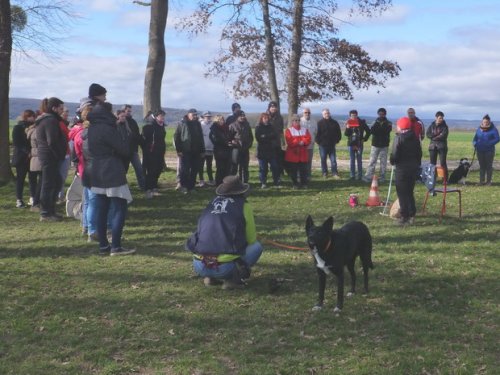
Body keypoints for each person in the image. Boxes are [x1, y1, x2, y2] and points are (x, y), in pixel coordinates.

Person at [186, 175, 264, 289]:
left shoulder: (211, 203)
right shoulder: (244, 206)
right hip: (224, 268)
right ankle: (232, 280)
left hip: (199, 264)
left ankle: (209, 277)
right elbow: (251, 239)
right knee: (256, 247)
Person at [84, 84, 135, 256]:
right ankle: (116, 246)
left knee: (101, 208)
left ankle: (103, 246)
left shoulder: (91, 128)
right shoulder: (108, 127)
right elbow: (124, 150)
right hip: (111, 170)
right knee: (120, 207)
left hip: (96, 170)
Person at [35, 97, 67, 221]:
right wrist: (59, 154)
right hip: (50, 157)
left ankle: (50, 211)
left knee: (56, 182)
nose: (62, 111)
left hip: (48, 156)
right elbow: (52, 141)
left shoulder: (49, 119)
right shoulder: (50, 121)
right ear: (54, 108)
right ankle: (45, 213)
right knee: (48, 184)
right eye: (60, 108)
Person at [390, 117, 422, 225]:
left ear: (400, 126)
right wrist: (417, 165)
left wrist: (392, 161)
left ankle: (404, 216)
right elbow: (419, 154)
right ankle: (412, 214)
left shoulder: (398, 138)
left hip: (402, 169)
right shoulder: (415, 138)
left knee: (402, 193)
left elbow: (394, 153)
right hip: (413, 168)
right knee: (409, 192)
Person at [174, 108, 205, 193]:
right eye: (193, 115)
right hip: (185, 150)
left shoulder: (197, 124)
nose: (195, 116)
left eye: (196, 115)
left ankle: (191, 187)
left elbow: (201, 137)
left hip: (196, 151)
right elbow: (176, 137)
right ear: (188, 115)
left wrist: (202, 150)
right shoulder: (182, 123)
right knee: (185, 169)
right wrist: (179, 150)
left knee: (194, 169)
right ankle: (183, 186)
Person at [11, 109, 36, 208]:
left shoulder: (33, 128)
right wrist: (27, 152)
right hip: (22, 158)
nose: (33, 118)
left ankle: (32, 197)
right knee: (20, 179)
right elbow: (17, 143)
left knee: (32, 178)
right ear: (27, 116)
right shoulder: (18, 128)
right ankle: (19, 199)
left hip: (31, 157)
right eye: (32, 116)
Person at [141, 109, 167, 198]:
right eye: (161, 116)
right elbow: (144, 139)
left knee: (159, 169)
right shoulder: (150, 126)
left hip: (160, 151)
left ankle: (154, 186)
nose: (163, 118)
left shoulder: (161, 125)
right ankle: (148, 189)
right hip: (151, 152)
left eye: (163, 116)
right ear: (156, 117)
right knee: (151, 170)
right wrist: (148, 149)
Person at [363, 108, 392, 183]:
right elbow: (372, 131)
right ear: (378, 114)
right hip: (375, 145)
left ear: (385, 114)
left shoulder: (389, 123)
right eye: (380, 114)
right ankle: (368, 176)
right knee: (372, 161)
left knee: (383, 162)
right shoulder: (374, 122)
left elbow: (386, 131)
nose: (381, 115)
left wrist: (378, 130)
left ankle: (382, 177)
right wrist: (379, 130)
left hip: (384, 145)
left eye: (383, 114)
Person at [123, 104, 146, 191]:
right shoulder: (120, 122)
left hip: (133, 150)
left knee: (139, 169)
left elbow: (137, 135)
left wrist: (143, 143)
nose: (129, 113)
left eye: (130, 111)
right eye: (128, 111)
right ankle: (124, 188)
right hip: (124, 151)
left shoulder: (133, 122)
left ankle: (143, 187)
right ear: (124, 111)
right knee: (124, 171)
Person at [285, 114, 311, 188]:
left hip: (303, 154)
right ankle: (295, 184)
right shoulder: (289, 130)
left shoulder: (305, 129)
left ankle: (304, 183)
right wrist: (299, 141)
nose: (297, 122)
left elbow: (308, 138)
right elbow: (289, 141)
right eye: (295, 120)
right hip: (293, 154)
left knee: (303, 170)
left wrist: (303, 142)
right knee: (293, 171)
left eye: (298, 120)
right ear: (292, 121)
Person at [255, 112, 280, 188]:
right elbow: (259, 138)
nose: (266, 119)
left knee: (274, 167)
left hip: (271, 150)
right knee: (263, 168)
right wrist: (268, 137)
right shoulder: (258, 127)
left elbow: (275, 136)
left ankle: (276, 181)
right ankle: (263, 182)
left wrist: (265, 136)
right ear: (261, 119)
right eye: (264, 118)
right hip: (262, 151)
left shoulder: (271, 127)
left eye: (267, 118)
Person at [473, 114, 499, 185]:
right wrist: (475, 143)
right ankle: (481, 181)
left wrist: (489, 143)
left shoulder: (493, 129)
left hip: (489, 151)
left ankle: (488, 181)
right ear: (482, 122)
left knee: (488, 166)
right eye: (484, 122)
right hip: (480, 150)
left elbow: (497, 138)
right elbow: (475, 138)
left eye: (487, 122)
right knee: (482, 166)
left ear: (489, 122)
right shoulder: (479, 129)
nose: (485, 123)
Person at [344, 109, 371, 180]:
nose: (353, 117)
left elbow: (368, 131)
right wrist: (347, 128)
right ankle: (352, 175)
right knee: (352, 160)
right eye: (352, 116)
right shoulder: (349, 122)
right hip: (351, 144)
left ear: (357, 115)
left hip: (359, 144)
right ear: (350, 116)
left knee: (359, 160)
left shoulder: (361, 122)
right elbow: (346, 134)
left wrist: (364, 139)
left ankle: (359, 175)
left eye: (355, 115)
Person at [315, 108, 342, 178]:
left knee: (333, 160)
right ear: (323, 115)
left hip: (332, 145)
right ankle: (324, 173)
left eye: (328, 113)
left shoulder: (334, 122)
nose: (327, 115)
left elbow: (339, 133)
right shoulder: (319, 123)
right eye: (325, 113)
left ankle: (335, 173)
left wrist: (337, 141)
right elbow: (316, 134)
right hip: (322, 145)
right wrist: (318, 142)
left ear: (329, 114)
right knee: (323, 159)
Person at [228, 110, 254, 183]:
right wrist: (233, 142)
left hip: (245, 149)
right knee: (234, 167)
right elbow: (228, 138)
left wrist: (249, 145)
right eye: (241, 116)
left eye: (243, 116)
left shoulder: (247, 125)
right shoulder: (232, 125)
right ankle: (232, 183)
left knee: (244, 167)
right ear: (237, 117)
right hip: (235, 149)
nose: (242, 117)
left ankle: (245, 182)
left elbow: (251, 137)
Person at [209, 115, 232, 186]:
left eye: (223, 119)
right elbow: (215, 140)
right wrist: (226, 143)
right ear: (217, 121)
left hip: (227, 150)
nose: (222, 121)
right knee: (220, 168)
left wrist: (231, 141)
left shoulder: (226, 128)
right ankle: (218, 183)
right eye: (220, 120)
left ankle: (226, 183)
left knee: (227, 168)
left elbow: (228, 137)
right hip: (219, 151)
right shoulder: (214, 129)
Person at [426, 111, 449, 179]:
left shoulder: (445, 126)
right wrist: (437, 135)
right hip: (432, 147)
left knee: (443, 163)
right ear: (436, 118)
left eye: (442, 118)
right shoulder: (431, 125)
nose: (441, 119)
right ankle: (432, 178)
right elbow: (428, 134)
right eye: (440, 118)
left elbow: (444, 135)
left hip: (442, 147)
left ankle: (445, 179)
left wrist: (433, 137)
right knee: (432, 164)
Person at [26, 116, 42, 211]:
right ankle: (36, 202)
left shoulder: (31, 131)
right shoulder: (37, 132)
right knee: (41, 182)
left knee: (34, 181)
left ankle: (34, 200)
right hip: (39, 157)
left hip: (33, 158)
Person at [267, 101, 285, 177]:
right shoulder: (265, 116)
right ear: (269, 108)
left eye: (275, 107)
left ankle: (278, 175)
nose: (273, 108)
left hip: (277, 142)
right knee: (269, 160)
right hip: (268, 142)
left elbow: (281, 131)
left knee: (278, 159)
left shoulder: (279, 117)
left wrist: (283, 142)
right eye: (272, 107)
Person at [198, 111, 215, 186]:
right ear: (203, 117)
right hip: (202, 148)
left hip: (210, 148)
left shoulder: (213, 125)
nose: (208, 118)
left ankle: (211, 179)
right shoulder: (200, 125)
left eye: (209, 117)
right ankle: (201, 180)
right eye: (206, 117)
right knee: (201, 165)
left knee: (209, 165)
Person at [300, 107, 317, 179]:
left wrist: (313, 140)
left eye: (308, 112)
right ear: (303, 113)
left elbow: (316, 132)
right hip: (302, 145)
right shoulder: (299, 121)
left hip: (310, 145)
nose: (307, 114)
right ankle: (301, 176)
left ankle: (308, 176)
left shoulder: (314, 121)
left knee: (309, 161)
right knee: (301, 161)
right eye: (305, 112)